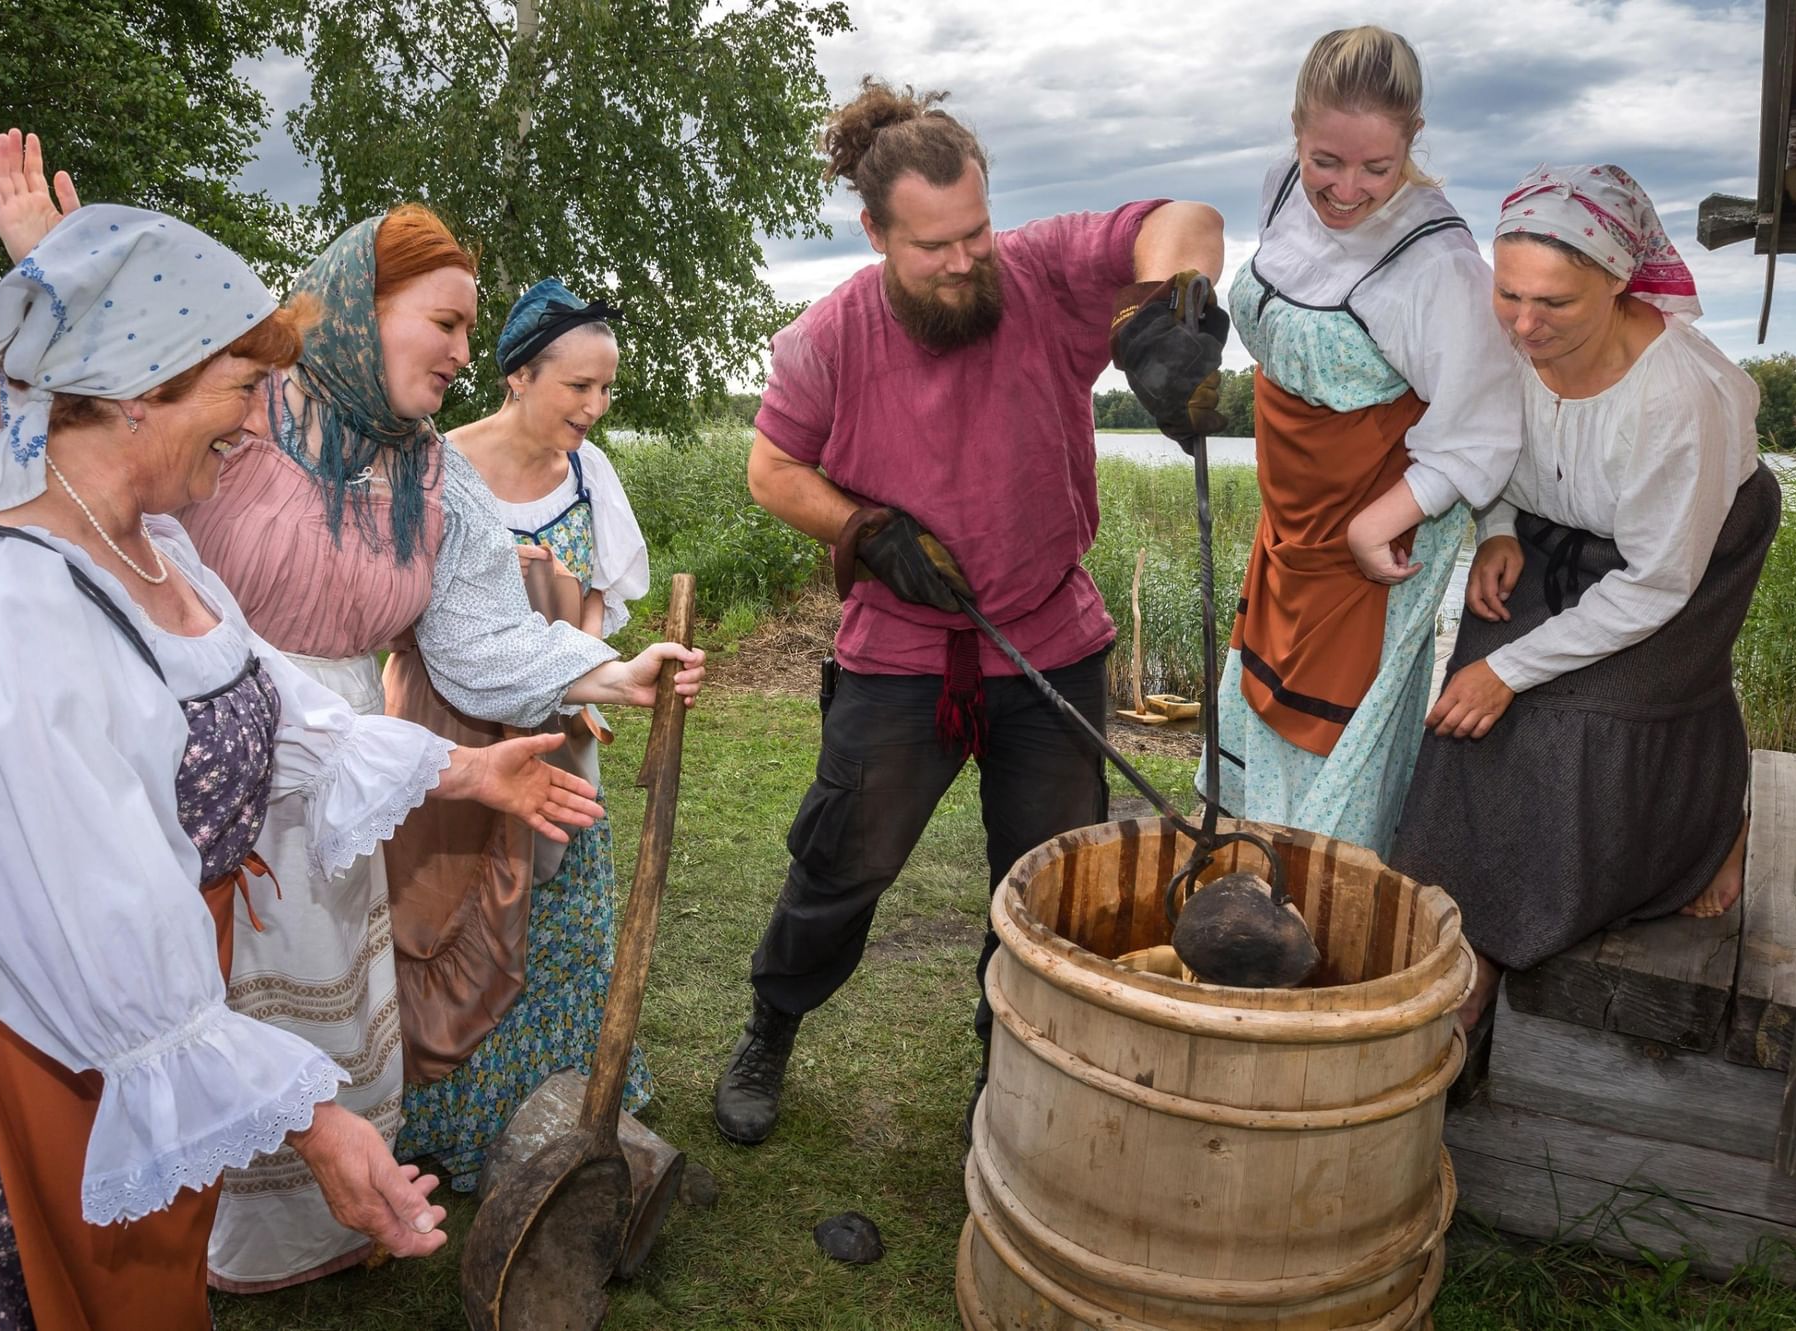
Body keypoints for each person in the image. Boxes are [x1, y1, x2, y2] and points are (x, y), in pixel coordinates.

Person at [0, 130, 706, 1293]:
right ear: (363, 304)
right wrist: (67, 288)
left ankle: (315, 1221)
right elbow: (43, 458)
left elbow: (423, 647)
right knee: (150, 1064)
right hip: (145, 817)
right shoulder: (168, 475)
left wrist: (594, 675)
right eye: (444, 322)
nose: (463, 348)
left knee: (329, 1008)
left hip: (335, 761)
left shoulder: (411, 477)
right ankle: (220, 1234)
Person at [710, 78, 1227, 1148]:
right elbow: (769, 468)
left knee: (1043, 880)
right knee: (842, 858)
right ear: (874, 231)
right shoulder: (830, 335)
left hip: (1047, 635)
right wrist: (866, 530)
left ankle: (1008, 1070)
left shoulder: (1039, 273)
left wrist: (1176, 302)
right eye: (933, 244)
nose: (964, 260)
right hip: (901, 651)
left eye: (975, 231)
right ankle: (771, 1023)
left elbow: (1187, 220)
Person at [1393, 164, 1780, 1030]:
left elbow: (1657, 581)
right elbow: (1483, 441)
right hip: (1549, 531)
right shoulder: (1509, 340)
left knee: (1582, 715)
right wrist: (1494, 525)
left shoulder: (1680, 397)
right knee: (1467, 701)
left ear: (1616, 283)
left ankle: (1705, 831)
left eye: (1555, 304)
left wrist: (1517, 673)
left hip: (1688, 554)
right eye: (1510, 294)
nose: (1525, 325)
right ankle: (1452, 931)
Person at [1206, 25, 1520, 856]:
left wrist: (1371, 525)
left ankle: (1321, 948)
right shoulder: (1281, 190)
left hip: (1370, 559)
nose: (1345, 190)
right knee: (1258, 766)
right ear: (1295, 133)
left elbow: (1487, 428)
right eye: (1326, 160)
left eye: (1376, 167)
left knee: (1325, 794)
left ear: (1414, 137)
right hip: (1286, 531)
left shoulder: (1439, 262)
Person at [392, 278, 655, 1189]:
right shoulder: (439, 468)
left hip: (560, 722)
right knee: (455, 916)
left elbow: (590, 610)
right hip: (454, 722)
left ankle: (557, 1116)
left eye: (606, 388)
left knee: (565, 927)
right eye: (577, 387)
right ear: (517, 377)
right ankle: (452, 1126)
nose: (595, 406)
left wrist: (596, 682)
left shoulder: (592, 478)